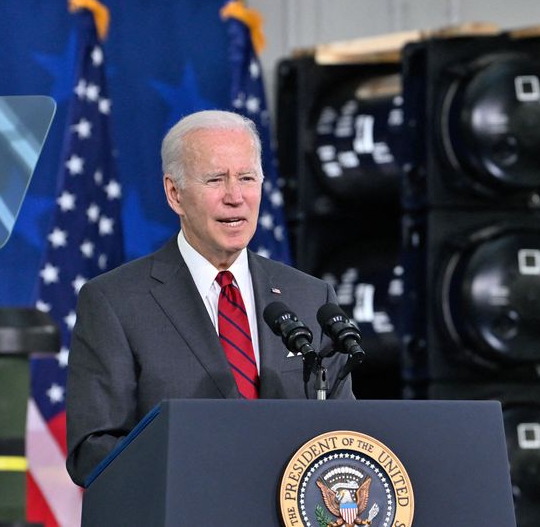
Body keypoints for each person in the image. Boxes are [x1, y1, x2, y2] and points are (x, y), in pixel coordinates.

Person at [65, 109, 355, 486]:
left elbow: (346, 437)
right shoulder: (115, 302)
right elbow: (93, 449)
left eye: (247, 178)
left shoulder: (311, 297)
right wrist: (202, 474)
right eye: (216, 179)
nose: (235, 197)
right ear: (175, 194)